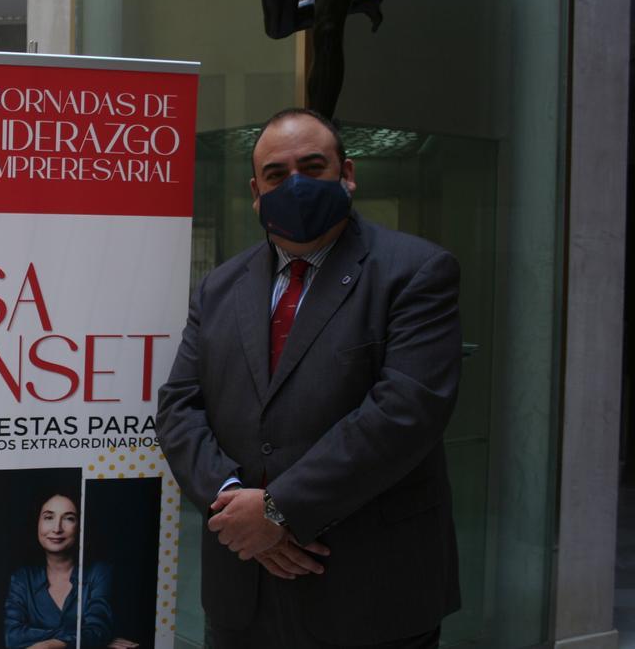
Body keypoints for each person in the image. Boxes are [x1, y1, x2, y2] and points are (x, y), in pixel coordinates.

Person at [156, 109, 461, 648]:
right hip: (243, 588)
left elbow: (406, 412)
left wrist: (279, 509)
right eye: (276, 174)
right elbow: (180, 407)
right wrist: (236, 506)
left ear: (347, 174)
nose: (293, 183)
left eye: (312, 167)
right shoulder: (219, 288)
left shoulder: (416, 272)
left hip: (371, 589)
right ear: (256, 190)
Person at [3, 491, 136, 649]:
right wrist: (91, 640)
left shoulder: (99, 572)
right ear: (37, 522)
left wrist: (48, 645)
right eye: (49, 517)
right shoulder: (22, 578)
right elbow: (13, 638)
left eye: (69, 518)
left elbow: (98, 628)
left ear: (81, 526)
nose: (57, 528)